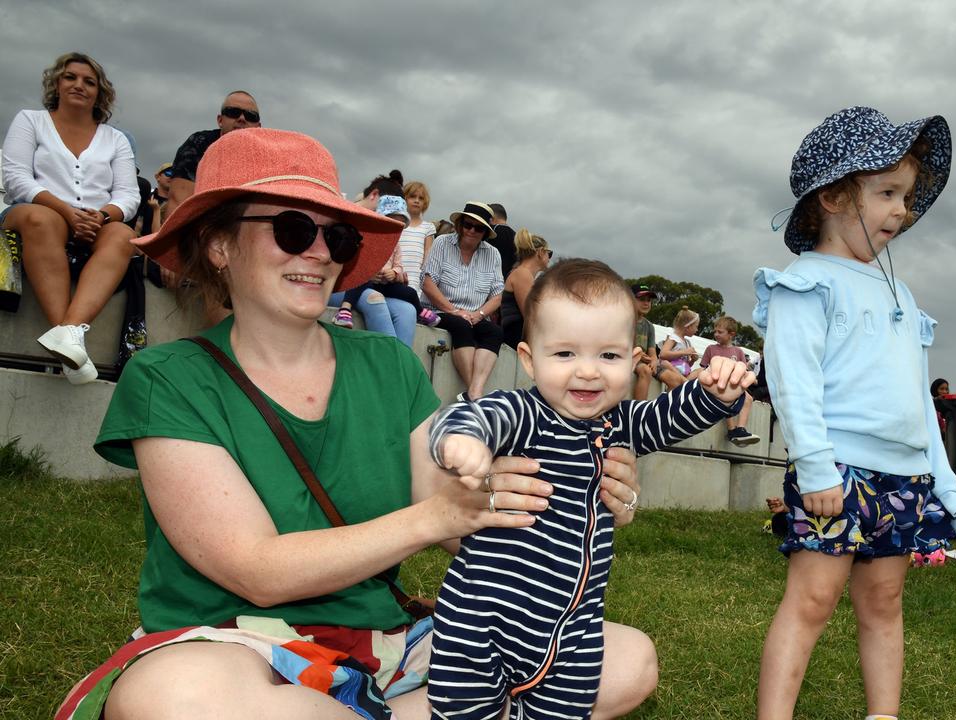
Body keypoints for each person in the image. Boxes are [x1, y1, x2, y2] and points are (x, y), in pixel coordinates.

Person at [55, 128, 653, 720]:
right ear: (219, 245)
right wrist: (436, 517)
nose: (318, 253)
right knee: (177, 697)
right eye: (292, 230)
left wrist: (576, 492)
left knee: (627, 658)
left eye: (336, 237)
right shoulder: (170, 376)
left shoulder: (389, 364)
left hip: (380, 642)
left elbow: (459, 515)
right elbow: (256, 572)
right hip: (237, 645)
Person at [427, 258, 756, 719]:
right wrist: (462, 443)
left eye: (609, 355)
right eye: (564, 354)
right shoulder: (523, 413)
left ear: (633, 358)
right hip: (481, 622)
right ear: (528, 359)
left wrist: (718, 395)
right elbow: (474, 415)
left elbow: (671, 415)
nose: (588, 372)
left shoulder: (621, 423)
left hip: (574, 635)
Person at [754, 107, 956, 720]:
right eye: (887, 193)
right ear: (834, 196)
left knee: (885, 603)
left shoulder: (902, 294)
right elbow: (793, 381)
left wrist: (944, 481)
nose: (903, 210)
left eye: (907, 196)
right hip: (837, 472)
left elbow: (917, 397)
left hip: (904, 477)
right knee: (812, 600)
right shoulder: (807, 281)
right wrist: (815, 466)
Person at [1, 51, 140, 385]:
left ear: (99, 92)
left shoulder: (115, 139)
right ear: (57, 84)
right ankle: (66, 333)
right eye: (70, 77)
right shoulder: (30, 120)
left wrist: (102, 216)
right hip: (35, 213)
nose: (79, 85)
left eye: (89, 81)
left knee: (123, 235)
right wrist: (67, 212)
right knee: (41, 220)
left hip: (96, 221)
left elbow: (128, 194)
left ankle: (68, 337)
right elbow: (16, 177)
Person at [421, 201, 505, 401]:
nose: (472, 231)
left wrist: (480, 314)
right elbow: (427, 282)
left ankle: (474, 391)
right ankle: (475, 395)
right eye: (468, 225)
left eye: (478, 228)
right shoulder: (442, 243)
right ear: (460, 224)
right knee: (461, 325)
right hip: (440, 310)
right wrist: (453, 310)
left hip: (474, 315)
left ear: (485, 232)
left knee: (495, 332)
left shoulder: (493, 254)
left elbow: (498, 295)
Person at [329, 194, 419, 346]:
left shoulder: (394, 244)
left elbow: (398, 267)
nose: (396, 228)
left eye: (400, 225)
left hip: (378, 287)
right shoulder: (359, 235)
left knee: (409, 310)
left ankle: (402, 364)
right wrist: (367, 274)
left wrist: (396, 275)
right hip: (344, 288)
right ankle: (394, 361)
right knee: (373, 297)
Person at [165, 90, 261, 211]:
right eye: (233, 112)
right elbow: (179, 204)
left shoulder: (268, 154)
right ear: (220, 120)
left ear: (259, 127)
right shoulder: (198, 144)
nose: (241, 118)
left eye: (251, 115)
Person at [700, 315, 761, 446]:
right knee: (727, 398)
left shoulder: (738, 352)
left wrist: (752, 379)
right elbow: (703, 369)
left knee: (748, 398)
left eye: (720, 332)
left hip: (733, 385)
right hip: (716, 385)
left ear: (731, 334)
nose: (716, 334)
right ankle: (732, 430)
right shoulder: (711, 349)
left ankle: (740, 428)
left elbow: (744, 371)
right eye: (715, 331)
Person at [500, 227, 551, 348]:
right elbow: (530, 314)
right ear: (540, 252)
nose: (549, 258)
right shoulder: (523, 274)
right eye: (549, 253)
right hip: (516, 336)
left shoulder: (521, 273)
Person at [630, 283, 682, 399]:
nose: (646, 303)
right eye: (642, 299)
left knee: (675, 380)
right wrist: (638, 354)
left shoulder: (649, 326)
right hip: (630, 359)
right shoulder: (623, 320)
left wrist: (653, 361)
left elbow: (652, 352)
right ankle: (638, 411)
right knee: (645, 371)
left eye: (649, 300)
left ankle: (661, 413)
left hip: (645, 361)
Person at [399, 180, 436, 304]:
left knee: (411, 301)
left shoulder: (428, 227)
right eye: (412, 197)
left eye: (421, 198)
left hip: (416, 274)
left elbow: (428, 251)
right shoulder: (398, 224)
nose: (417, 200)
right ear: (404, 198)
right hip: (397, 270)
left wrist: (423, 272)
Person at [658, 306, 704, 383]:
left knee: (701, 370)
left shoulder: (687, 342)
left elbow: (685, 365)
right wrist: (684, 352)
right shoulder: (673, 338)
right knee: (664, 363)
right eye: (696, 326)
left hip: (683, 374)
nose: (697, 330)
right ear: (688, 326)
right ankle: (685, 383)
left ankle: (684, 382)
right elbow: (663, 354)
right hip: (671, 372)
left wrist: (692, 360)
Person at [487, 201, 517, 278]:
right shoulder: (517, 236)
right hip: (508, 281)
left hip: (489, 279)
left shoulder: (489, 232)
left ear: (491, 217)